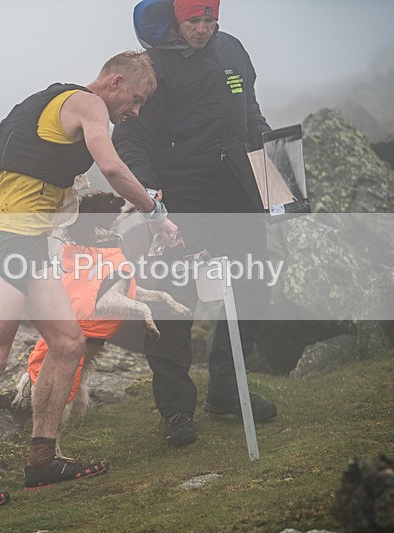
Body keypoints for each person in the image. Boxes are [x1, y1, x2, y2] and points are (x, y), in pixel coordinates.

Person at [0, 50, 182, 515]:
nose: (136, 111)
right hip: (6, 238)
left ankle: (43, 459)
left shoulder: (48, 100)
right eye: (137, 99)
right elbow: (114, 168)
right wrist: (156, 213)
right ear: (117, 82)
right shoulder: (89, 105)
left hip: (29, 241)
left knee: (68, 344)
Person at [112, 0, 278, 448]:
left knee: (253, 288)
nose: (203, 29)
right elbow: (130, 138)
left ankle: (226, 389)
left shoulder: (233, 51)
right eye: (193, 21)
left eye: (210, 20)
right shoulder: (153, 69)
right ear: (174, 19)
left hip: (238, 193)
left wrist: (274, 173)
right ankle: (175, 409)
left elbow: (251, 114)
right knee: (173, 303)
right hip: (179, 204)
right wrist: (148, 198)